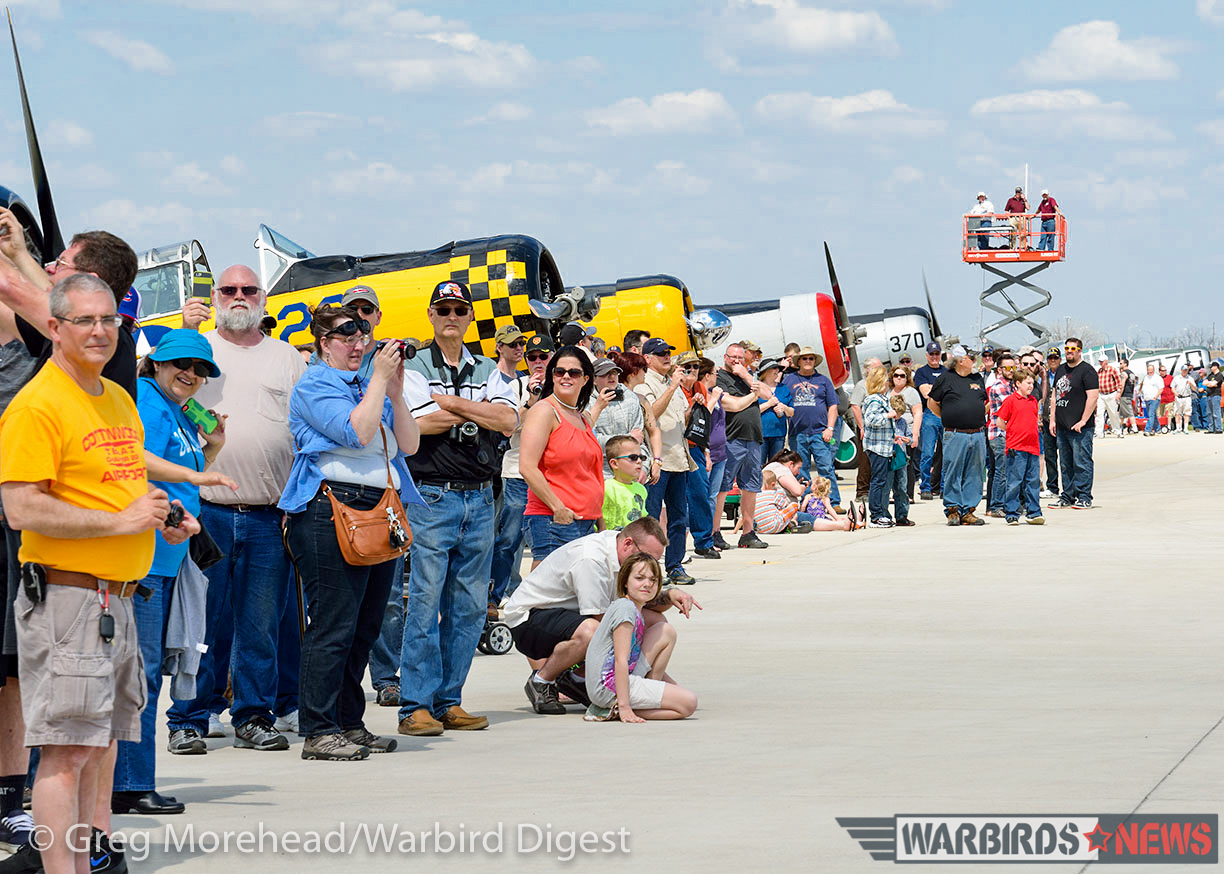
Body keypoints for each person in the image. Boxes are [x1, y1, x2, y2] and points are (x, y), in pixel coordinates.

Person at [1, 274, 199, 874]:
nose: (99, 331)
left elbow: (122, 488)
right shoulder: (37, 404)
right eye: (84, 320)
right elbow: (21, 507)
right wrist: (120, 524)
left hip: (118, 600)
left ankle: (88, 863)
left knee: (101, 749)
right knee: (64, 754)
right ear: (54, 328)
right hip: (68, 600)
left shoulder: (114, 398)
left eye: (109, 319)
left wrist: (162, 520)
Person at [169, 264, 307, 754]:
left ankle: (253, 715)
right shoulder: (198, 347)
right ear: (216, 297)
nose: (239, 296)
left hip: (272, 514)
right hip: (210, 511)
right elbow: (160, 388)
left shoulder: (288, 358)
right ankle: (190, 717)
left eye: (249, 289)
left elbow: (305, 434)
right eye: (229, 290)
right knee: (200, 624)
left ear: (263, 297)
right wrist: (185, 330)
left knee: (261, 625)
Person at [279, 305, 423, 760]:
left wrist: (395, 393)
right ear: (322, 342)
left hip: (378, 511)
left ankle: (347, 721)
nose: (359, 344)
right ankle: (318, 730)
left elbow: (410, 444)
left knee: (365, 627)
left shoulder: (369, 385)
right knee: (332, 625)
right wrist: (379, 379)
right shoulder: (314, 385)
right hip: (329, 509)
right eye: (346, 335)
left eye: (364, 334)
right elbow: (357, 433)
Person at [111, 331, 227, 816]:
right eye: (181, 364)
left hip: (168, 558)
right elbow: (136, 462)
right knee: (139, 676)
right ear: (155, 364)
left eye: (200, 370)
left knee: (147, 673)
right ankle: (130, 785)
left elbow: (175, 468)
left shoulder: (176, 411)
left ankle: (129, 782)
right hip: (145, 558)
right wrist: (196, 477)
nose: (192, 375)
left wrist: (213, 447)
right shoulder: (146, 400)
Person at [396, 280, 518, 737]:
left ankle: (450, 699)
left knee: (469, 606)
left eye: (459, 309)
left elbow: (508, 419)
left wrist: (448, 403)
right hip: (431, 493)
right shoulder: (412, 365)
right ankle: (415, 705)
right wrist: (473, 408)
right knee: (425, 602)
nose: (451, 315)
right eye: (443, 308)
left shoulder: (489, 364)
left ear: (469, 317)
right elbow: (418, 423)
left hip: (481, 495)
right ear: (430, 315)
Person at [507, 519, 698, 714]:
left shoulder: (623, 555)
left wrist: (670, 594)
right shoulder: (592, 560)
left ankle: (641, 684)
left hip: (568, 613)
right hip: (528, 618)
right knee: (593, 631)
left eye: (655, 561)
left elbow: (645, 602)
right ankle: (544, 680)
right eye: (646, 556)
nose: (650, 565)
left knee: (655, 622)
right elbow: (604, 625)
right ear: (628, 544)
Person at [582, 553, 697, 723]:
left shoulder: (635, 609)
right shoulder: (625, 609)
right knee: (688, 704)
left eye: (653, 579)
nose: (647, 584)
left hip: (623, 678)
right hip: (607, 687)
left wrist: (673, 687)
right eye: (639, 578)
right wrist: (625, 707)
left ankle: (647, 694)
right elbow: (620, 661)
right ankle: (618, 708)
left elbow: (636, 660)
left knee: (665, 630)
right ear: (625, 582)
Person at [519, 346, 604, 568]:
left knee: (573, 597)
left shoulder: (581, 417)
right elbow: (527, 467)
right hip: (554, 520)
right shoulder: (544, 411)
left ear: (586, 379)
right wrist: (558, 508)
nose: (566, 376)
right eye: (559, 371)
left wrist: (599, 520)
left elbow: (590, 475)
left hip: (585, 521)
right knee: (549, 599)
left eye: (573, 372)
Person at [488, 330, 550, 620]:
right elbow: (507, 429)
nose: (538, 361)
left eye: (543, 356)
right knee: (509, 538)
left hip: (552, 474)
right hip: (517, 472)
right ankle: (493, 596)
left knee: (549, 539)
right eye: (532, 357)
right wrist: (530, 398)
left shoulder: (566, 385)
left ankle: (544, 597)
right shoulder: (518, 386)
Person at [636, 338, 697, 581]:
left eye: (668, 352)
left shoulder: (674, 383)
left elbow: (681, 420)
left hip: (679, 459)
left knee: (679, 518)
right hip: (657, 462)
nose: (666, 356)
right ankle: (647, 568)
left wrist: (696, 408)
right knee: (651, 519)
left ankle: (675, 565)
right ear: (647, 358)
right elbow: (652, 415)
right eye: (660, 353)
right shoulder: (644, 384)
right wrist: (672, 388)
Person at [714, 343, 769, 549]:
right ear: (725, 357)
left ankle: (748, 532)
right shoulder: (720, 378)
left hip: (753, 437)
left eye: (740, 357)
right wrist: (754, 395)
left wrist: (747, 377)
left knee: (751, 487)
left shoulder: (748, 377)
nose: (736, 361)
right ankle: (715, 532)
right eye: (732, 357)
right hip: (731, 438)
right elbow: (732, 404)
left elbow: (769, 395)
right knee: (723, 487)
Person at [927, 345, 988, 526]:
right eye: (972, 357)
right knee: (953, 471)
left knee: (975, 473)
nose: (975, 360)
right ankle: (953, 510)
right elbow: (932, 403)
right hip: (955, 434)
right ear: (961, 361)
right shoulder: (946, 378)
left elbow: (983, 402)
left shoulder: (977, 378)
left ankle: (968, 510)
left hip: (977, 434)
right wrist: (948, 416)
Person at [781, 346, 842, 510]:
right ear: (798, 361)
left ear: (815, 362)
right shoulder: (789, 380)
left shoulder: (823, 381)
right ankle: (805, 502)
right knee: (801, 471)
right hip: (797, 432)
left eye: (811, 359)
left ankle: (833, 502)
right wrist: (783, 368)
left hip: (819, 433)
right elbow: (775, 393)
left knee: (826, 469)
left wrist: (829, 428)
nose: (808, 361)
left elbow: (833, 406)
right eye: (804, 358)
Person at [677, 352, 720, 560]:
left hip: (695, 447)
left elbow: (702, 422)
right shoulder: (674, 389)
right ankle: (677, 543)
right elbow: (679, 421)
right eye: (687, 367)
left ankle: (704, 541)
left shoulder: (699, 387)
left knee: (700, 493)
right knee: (678, 498)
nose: (692, 371)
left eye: (695, 367)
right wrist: (693, 404)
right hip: (677, 447)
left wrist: (706, 451)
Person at [592, 353, 662, 481]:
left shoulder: (631, 398)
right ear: (593, 379)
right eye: (605, 374)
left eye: (615, 373)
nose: (611, 376)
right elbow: (591, 441)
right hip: (601, 478)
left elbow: (639, 440)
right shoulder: (586, 403)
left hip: (631, 478)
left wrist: (645, 468)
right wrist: (628, 438)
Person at [1049, 338, 1099, 510]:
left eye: (1073, 348)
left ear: (1079, 351)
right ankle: (1068, 496)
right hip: (1062, 426)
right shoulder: (1061, 369)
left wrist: (1083, 420)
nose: (1069, 351)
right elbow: (1055, 396)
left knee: (1082, 462)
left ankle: (1084, 497)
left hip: (1080, 428)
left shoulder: (1088, 371)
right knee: (1065, 464)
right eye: (1067, 348)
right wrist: (1053, 419)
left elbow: (1093, 397)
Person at [995, 368, 1044, 525]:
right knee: (1014, 482)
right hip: (1017, 447)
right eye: (1027, 383)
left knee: (1033, 481)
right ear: (1018, 383)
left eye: (1032, 383)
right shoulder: (1010, 401)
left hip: (1033, 447)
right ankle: (1011, 512)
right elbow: (999, 421)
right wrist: (1013, 430)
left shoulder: (1033, 401)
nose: (1031, 386)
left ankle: (1034, 512)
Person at [860, 367, 897, 528]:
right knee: (878, 481)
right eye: (886, 380)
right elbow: (870, 419)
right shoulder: (875, 400)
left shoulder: (882, 399)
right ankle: (875, 515)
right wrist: (887, 416)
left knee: (881, 480)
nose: (889, 383)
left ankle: (879, 513)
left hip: (884, 445)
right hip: (877, 447)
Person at [700, 359, 730, 550]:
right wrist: (712, 399)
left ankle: (711, 534)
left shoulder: (716, 394)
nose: (717, 376)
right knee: (703, 497)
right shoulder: (700, 394)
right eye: (714, 373)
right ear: (707, 375)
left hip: (721, 452)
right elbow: (702, 418)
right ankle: (703, 537)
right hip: (707, 452)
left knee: (714, 496)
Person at [849, 357, 884, 503]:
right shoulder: (862, 385)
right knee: (865, 460)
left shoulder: (882, 385)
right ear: (868, 369)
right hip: (867, 427)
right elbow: (855, 406)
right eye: (876, 367)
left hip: (881, 427)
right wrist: (861, 426)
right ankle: (862, 491)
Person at [985, 351, 1015, 517]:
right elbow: (1012, 407)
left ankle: (1004, 503)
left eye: (1013, 366)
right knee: (1001, 471)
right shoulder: (999, 386)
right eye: (1007, 367)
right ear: (999, 370)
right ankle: (996, 505)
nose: (1011, 370)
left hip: (1009, 434)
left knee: (1007, 471)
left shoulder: (1012, 385)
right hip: (999, 434)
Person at [914, 343, 945, 500]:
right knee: (927, 453)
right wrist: (941, 390)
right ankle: (925, 486)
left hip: (946, 415)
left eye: (937, 353)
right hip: (930, 414)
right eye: (931, 354)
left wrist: (934, 388)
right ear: (927, 355)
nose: (934, 357)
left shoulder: (947, 371)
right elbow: (927, 394)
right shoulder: (921, 372)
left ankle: (943, 486)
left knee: (947, 453)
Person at [887, 364, 923, 502]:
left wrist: (914, 435)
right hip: (891, 434)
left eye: (902, 376)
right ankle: (894, 492)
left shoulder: (911, 392)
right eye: (896, 375)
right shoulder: (888, 391)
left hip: (906, 431)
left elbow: (918, 413)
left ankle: (908, 494)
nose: (899, 378)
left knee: (906, 463)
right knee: (892, 464)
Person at [602, 436, 649, 529]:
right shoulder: (606, 488)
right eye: (633, 457)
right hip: (610, 539)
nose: (639, 461)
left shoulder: (641, 489)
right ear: (614, 463)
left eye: (641, 457)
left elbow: (642, 517)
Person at [886, 394, 914, 527]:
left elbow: (909, 436)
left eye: (900, 414)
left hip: (901, 457)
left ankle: (902, 515)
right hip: (888, 456)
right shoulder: (886, 421)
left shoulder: (902, 422)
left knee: (901, 488)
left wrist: (909, 440)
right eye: (896, 413)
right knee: (886, 487)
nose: (897, 417)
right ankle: (884, 515)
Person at [756, 358, 791, 464]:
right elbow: (752, 411)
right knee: (758, 466)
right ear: (765, 372)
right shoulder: (756, 387)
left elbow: (792, 412)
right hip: (760, 435)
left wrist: (784, 408)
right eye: (773, 368)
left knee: (776, 465)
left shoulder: (783, 388)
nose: (777, 371)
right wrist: (768, 404)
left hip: (778, 435)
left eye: (778, 368)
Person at [751, 470, 804, 535]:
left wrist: (735, 531)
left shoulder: (756, 496)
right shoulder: (774, 494)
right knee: (794, 505)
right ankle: (791, 523)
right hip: (775, 526)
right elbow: (785, 505)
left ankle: (787, 524)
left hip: (762, 530)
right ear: (773, 484)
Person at [1042, 348, 1062, 494]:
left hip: (1062, 420)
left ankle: (1070, 487)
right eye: (1050, 358)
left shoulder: (1065, 374)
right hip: (1047, 419)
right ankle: (1052, 486)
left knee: (1067, 456)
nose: (1053, 360)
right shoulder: (1042, 376)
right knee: (1050, 455)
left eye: (1055, 358)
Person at [1091, 354, 1123, 439]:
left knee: (1113, 413)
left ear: (1106, 361)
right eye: (1100, 361)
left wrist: (1118, 392)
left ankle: (1117, 431)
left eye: (1102, 361)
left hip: (1111, 393)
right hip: (1101, 395)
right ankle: (1099, 432)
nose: (1100, 363)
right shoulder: (1099, 371)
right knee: (1099, 414)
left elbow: (1118, 381)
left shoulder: (1112, 370)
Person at [1140, 363, 1164, 436]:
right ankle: (1158, 429)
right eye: (1149, 370)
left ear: (1154, 370)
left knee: (1151, 414)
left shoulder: (1157, 378)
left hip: (1154, 399)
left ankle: (1148, 430)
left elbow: (1161, 388)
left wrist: (1155, 397)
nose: (1150, 371)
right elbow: (1143, 387)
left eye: (1151, 370)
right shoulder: (1146, 377)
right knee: (1152, 415)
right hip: (1147, 399)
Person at [1171, 365, 1194, 434]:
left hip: (1187, 397)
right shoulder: (1176, 378)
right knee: (1178, 413)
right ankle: (1178, 428)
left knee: (1187, 413)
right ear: (1181, 370)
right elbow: (1172, 387)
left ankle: (1185, 428)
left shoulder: (1190, 378)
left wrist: (1191, 384)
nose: (1185, 372)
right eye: (1183, 370)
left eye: (1186, 370)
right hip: (1179, 397)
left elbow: (1194, 388)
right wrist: (1176, 393)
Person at [1118, 357, 1138, 434]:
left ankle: (1135, 428)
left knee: (1130, 413)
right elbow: (1134, 384)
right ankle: (1120, 428)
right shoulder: (1132, 373)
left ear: (1125, 364)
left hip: (1124, 395)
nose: (1120, 365)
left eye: (1121, 363)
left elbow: (1122, 385)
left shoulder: (1124, 373)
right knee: (1122, 414)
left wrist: (1119, 394)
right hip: (1130, 394)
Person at [1202, 362, 1223, 433]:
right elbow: (1204, 383)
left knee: (1216, 413)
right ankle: (1211, 428)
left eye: (1211, 367)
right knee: (1209, 413)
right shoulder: (1210, 375)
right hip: (1209, 395)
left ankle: (1218, 428)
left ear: (1216, 367)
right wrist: (1210, 384)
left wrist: (1211, 383)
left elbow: (1214, 384)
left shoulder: (1220, 375)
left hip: (1216, 395)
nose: (1210, 368)